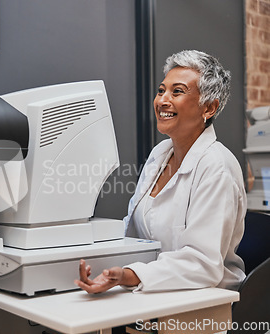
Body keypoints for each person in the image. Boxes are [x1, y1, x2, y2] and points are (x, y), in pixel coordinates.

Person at [75, 50, 246, 294]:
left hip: (206, 303)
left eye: (177, 91)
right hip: (157, 292)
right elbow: (133, 230)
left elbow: (202, 264)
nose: (162, 100)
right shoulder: (160, 154)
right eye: (161, 90)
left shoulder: (217, 166)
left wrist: (129, 275)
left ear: (208, 108)